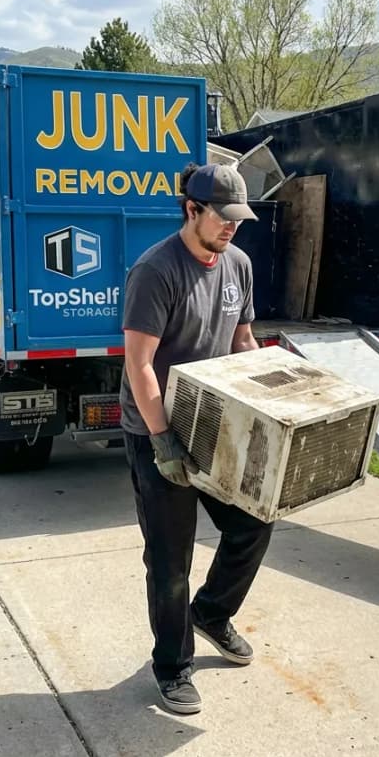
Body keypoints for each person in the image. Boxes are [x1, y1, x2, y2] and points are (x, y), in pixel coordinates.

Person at [120, 162, 274, 715]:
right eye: (223, 217)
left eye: (239, 218)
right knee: (170, 559)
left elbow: (242, 338)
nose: (233, 227)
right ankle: (172, 666)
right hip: (157, 429)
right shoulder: (156, 271)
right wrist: (162, 441)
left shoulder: (239, 265)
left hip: (215, 425)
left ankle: (211, 613)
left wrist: (272, 391)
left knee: (254, 522)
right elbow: (139, 364)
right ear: (192, 210)